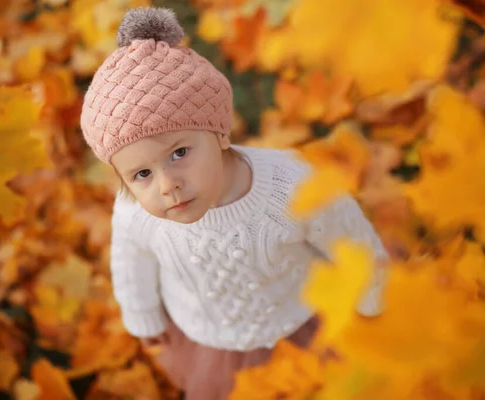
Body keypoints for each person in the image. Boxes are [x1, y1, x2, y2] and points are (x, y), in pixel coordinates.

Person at [80, 6, 389, 399]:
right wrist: (142, 315)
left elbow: (348, 236)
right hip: (207, 337)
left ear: (219, 134)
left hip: (299, 318)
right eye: (142, 174)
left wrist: (372, 299)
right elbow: (131, 259)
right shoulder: (135, 213)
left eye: (179, 153)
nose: (168, 184)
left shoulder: (291, 186)